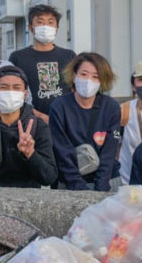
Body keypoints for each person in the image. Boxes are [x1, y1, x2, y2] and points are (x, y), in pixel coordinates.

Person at [0, 64, 58, 188]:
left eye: (16, 87)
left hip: (29, 196)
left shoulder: (38, 127)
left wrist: (30, 154)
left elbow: (49, 177)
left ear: (25, 94)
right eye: (4, 87)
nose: (10, 92)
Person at [48, 52, 121, 191]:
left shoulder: (111, 107)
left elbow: (109, 151)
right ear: (74, 76)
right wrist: (80, 188)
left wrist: (101, 188)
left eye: (95, 77)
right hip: (70, 182)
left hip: (107, 179)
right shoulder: (59, 107)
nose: (88, 80)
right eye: (83, 74)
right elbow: (62, 151)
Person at [9, 4, 76, 124]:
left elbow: (75, 90)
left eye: (50, 22)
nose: (46, 26)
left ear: (57, 28)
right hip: (31, 122)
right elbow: (14, 92)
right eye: (40, 22)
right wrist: (40, 116)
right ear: (30, 28)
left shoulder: (69, 56)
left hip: (65, 121)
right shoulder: (17, 58)